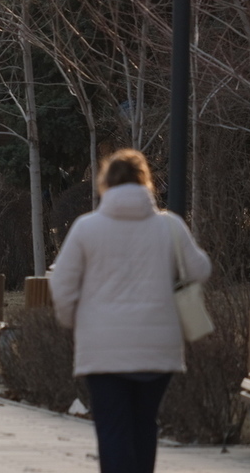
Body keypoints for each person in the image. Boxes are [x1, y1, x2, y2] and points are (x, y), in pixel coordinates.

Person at [49, 148, 211, 473]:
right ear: (145, 182)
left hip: (103, 348)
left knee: (112, 428)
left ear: (104, 183)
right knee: (144, 424)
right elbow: (200, 269)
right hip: (157, 346)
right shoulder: (170, 227)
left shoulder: (86, 228)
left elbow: (62, 284)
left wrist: (71, 319)